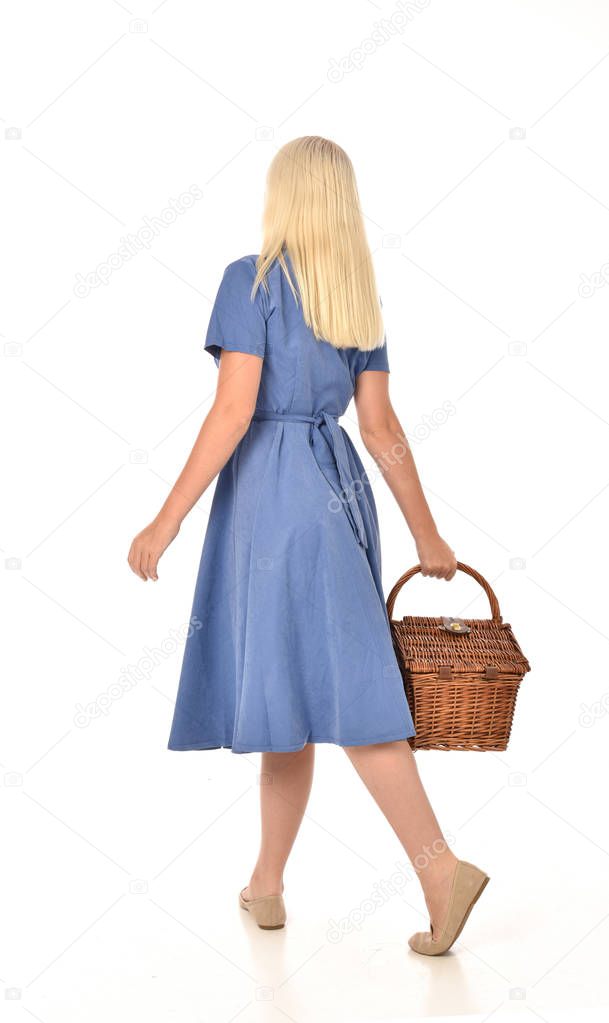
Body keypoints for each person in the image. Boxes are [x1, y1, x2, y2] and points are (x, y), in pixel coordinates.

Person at [127, 136, 489, 955]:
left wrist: (168, 516)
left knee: (346, 699)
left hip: (272, 500)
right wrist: (425, 531)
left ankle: (441, 871)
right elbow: (381, 429)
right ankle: (266, 881)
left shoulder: (248, 280)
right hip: (340, 492)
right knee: (294, 696)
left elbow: (232, 413)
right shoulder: (354, 297)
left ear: (283, 195)